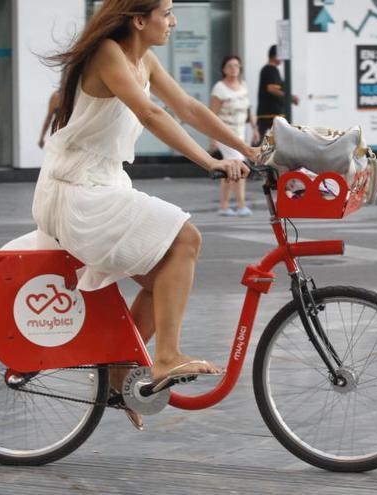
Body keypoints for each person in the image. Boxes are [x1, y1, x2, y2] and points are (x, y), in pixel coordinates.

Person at [36, 0, 253, 429]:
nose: (173, 21)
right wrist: (208, 162)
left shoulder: (144, 59)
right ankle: (166, 357)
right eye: (167, 13)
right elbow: (151, 113)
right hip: (77, 192)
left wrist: (249, 149)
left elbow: (188, 108)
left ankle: (119, 368)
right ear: (139, 20)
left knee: (164, 278)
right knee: (186, 239)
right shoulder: (108, 54)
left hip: (104, 185)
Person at [210, 55, 258, 217]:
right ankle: (241, 204)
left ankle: (224, 205)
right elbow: (213, 115)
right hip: (225, 134)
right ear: (224, 69)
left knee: (229, 169)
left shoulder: (243, 86)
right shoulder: (219, 88)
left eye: (236, 66)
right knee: (239, 165)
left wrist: (254, 128)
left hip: (240, 134)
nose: (234, 69)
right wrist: (214, 138)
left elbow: (248, 109)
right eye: (230, 66)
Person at [256, 45, 298, 140]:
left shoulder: (269, 69)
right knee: (282, 140)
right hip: (272, 113)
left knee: (262, 139)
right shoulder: (271, 69)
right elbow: (272, 89)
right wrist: (290, 98)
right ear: (275, 56)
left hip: (268, 113)